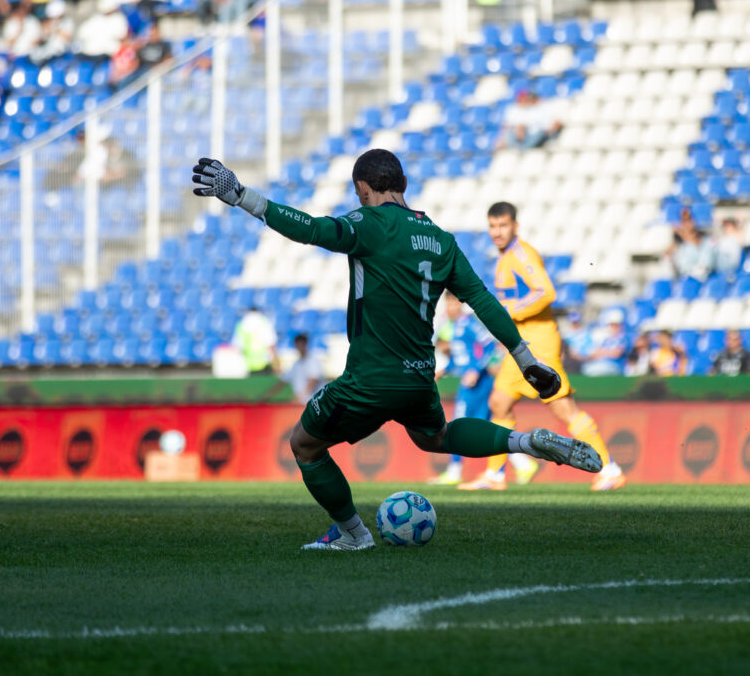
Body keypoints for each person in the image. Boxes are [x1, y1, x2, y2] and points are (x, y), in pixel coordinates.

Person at [193, 151, 603, 550]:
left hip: (368, 379)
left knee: (304, 444)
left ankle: (354, 534)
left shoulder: (368, 224)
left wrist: (241, 195)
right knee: (436, 436)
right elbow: (482, 300)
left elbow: (311, 229)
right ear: (403, 184)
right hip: (419, 378)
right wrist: (526, 359)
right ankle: (525, 443)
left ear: (362, 189)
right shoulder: (441, 240)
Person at [458, 202, 626, 492]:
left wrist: (510, 311)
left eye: (503, 225)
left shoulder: (521, 255)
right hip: (520, 343)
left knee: (563, 409)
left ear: (515, 226)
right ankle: (495, 475)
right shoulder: (504, 257)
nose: (497, 232)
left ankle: (609, 469)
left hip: (539, 342)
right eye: (493, 226)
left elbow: (546, 292)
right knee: (499, 403)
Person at [430, 293, 538, 486]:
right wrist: (443, 370)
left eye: (454, 303)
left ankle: (455, 472)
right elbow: (461, 357)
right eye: (448, 304)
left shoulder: (469, 323)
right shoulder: (454, 326)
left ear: (460, 304)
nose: (451, 307)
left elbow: (490, 347)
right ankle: (523, 463)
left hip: (479, 383)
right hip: (470, 381)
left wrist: (476, 370)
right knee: (486, 427)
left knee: (458, 425)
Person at [231, 305, 278, 376]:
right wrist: (276, 364)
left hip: (248, 365)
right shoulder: (264, 322)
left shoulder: (241, 324)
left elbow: (238, 347)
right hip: (264, 363)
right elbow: (271, 344)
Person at [279, 332, 324, 404]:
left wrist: (299, 398)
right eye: (298, 344)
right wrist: (266, 397)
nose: (300, 347)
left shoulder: (313, 361)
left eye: (302, 344)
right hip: (302, 403)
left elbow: (313, 382)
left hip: (314, 403)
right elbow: (282, 382)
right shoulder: (296, 364)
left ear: (306, 344)